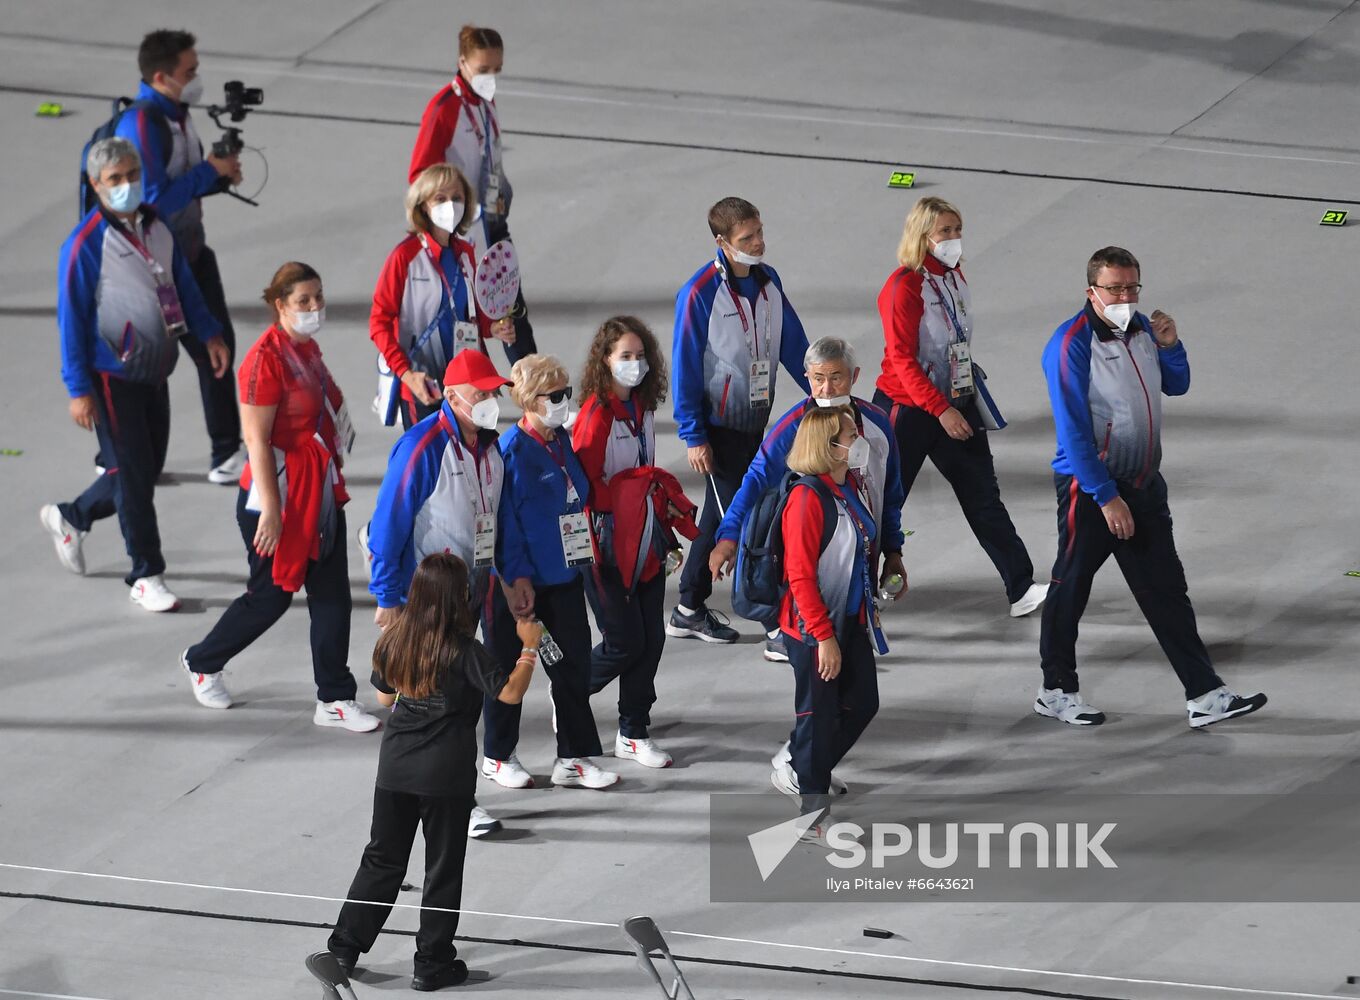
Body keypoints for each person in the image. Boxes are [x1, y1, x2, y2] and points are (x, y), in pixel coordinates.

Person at [1036, 247, 1267, 728]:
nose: (1125, 296)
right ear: (1091, 291)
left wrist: (1170, 346)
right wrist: (1106, 496)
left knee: (1167, 590)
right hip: (1093, 489)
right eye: (1114, 288)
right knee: (1070, 586)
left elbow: (1176, 386)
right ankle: (1056, 690)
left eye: (1132, 287)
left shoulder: (1143, 330)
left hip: (1143, 483)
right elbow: (1073, 430)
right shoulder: (1071, 344)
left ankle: (1205, 694)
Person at [180, 262, 379, 733]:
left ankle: (334, 696)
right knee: (270, 597)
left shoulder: (306, 349)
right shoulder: (263, 361)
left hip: (317, 493)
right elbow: (257, 440)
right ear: (279, 305)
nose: (315, 308)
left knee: (332, 597)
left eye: (318, 297)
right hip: (279, 498)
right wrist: (271, 508)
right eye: (303, 301)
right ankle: (203, 660)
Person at [327, 552, 539, 992]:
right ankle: (431, 962)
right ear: (460, 597)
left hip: (395, 768)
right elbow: (511, 693)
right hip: (444, 775)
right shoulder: (464, 649)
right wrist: (529, 645)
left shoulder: (396, 637)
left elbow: (385, 699)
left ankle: (344, 947)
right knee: (441, 869)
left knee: (382, 859)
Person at [42, 137, 229, 611]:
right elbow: (71, 321)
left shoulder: (156, 223)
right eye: (115, 179)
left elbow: (180, 284)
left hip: (155, 369)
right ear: (95, 185)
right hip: (112, 377)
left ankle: (72, 516)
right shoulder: (83, 247)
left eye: (132, 175)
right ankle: (146, 572)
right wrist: (78, 390)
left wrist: (207, 334)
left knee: (142, 470)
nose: (127, 185)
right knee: (133, 473)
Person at [873, 196, 1048, 618]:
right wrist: (941, 410)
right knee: (881, 505)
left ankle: (1021, 587)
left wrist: (958, 399)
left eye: (957, 229)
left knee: (983, 496)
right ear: (922, 236)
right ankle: (853, 599)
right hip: (908, 409)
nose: (953, 239)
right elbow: (902, 359)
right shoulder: (903, 287)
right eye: (944, 231)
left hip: (955, 398)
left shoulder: (954, 277)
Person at [366, 348, 514, 838]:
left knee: (453, 700)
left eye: (494, 392)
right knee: (429, 700)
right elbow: (389, 524)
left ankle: (446, 793)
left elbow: (498, 520)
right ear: (451, 396)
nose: (491, 400)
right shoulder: (423, 446)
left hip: (469, 593)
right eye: (481, 394)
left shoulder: (490, 447)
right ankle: (441, 797)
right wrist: (388, 597)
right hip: (424, 596)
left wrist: (510, 579)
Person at [709, 337, 907, 665]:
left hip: (860, 556)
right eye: (818, 379)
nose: (827, 389)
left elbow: (892, 494)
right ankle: (794, 640)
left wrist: (894, 552)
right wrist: (729, 536)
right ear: (807, 378)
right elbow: (755, 481)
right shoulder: (792, 427)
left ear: (854, 376)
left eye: (836, 378)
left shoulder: (878, 424)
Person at [670, 196, 812, 643]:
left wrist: (822, 389)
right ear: (722, 243)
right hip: (717, 427)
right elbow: (685, 364)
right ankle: (775, 626)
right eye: (747, 238)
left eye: (760, 232)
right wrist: (693, 435)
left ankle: (689, 606)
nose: (759, 243)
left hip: (755, 420)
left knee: (721, 514)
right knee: (748, 515)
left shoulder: (770, 284)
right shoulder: (699, 294)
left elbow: (791, 341)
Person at [483, 355, 618, 789]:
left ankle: (573, 758)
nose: (564, 401)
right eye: (555, 395)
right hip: (520, 585)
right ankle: (498, 755)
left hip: (563, 577)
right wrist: (516, 580)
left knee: (572, 667)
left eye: (567, 392)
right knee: (506, 669)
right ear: (528, 400)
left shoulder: (560, 441)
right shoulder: (511, 453)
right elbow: (504, 524)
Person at [116, 29, 245, 483]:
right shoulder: (143, 124)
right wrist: (209, 171)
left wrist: (217, 176)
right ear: (160, 76)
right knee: (164, 361)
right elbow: (152, 199)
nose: (196, 78)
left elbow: (182, 180)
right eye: (189, 72)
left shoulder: (177, 113)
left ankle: (224, 451)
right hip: (162, 269)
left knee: (215, 349)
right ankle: (128, 461)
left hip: (191, 253)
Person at [572, 316, 688, 769]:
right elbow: (584, 485)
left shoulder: (643, 407)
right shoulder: (596, 416)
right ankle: (571, 690)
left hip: (644, 536)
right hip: (606, 540)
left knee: (652, 638)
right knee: (624, 641)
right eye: (625, 357)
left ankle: (633, 732)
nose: (635, 365)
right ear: (605, 360)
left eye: (640, 357)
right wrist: (637, 488)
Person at [772, 407, 881, 834]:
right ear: (829, 447)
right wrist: (823, 638)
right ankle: (810, 818)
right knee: (818, 718)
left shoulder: (848, 486)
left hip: (848, 621)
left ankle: (803, 768)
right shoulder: (806, 500)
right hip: (813, 630)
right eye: (851, 435)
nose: (859, 442)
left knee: (862, 703)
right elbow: (800, 576)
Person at [409, 24, 536, 364]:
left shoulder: (485, 101)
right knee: (468, 313)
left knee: (511, 306)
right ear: (462, 62)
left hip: (492, 220)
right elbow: (419, 175)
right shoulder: (444, 110)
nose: (490, 78)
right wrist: (448, 211)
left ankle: (533, 386)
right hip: (461, 228)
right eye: (483, 70)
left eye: (497, 70)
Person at [370, 163, 515, 430]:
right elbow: (378, 323)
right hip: (424, 384)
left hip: (466, 384)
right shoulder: (405, 257)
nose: (450, 205)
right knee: (434, 466)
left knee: (470, 462)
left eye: (456, 198)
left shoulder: (465, 253)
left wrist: (492, 327)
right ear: (423, 205)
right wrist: (407, 374)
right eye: (440, 198)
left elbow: (468, 315)